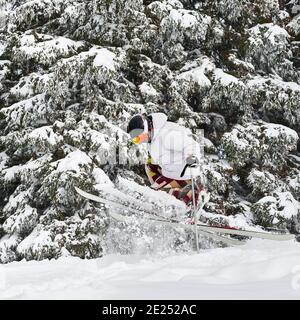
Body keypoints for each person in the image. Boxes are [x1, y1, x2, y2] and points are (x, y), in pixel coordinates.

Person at [127, 113, 203, 206]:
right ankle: (171, 197)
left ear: (146, 129)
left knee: (158, 195)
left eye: (139, 138)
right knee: (150, 167)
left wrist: (192, 161)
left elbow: (192, 145)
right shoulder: (153, 138)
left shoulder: (166, 135)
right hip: (170, 173)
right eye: (136, 141)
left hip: (183, 175)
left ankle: (189, 198)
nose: (140, 141)